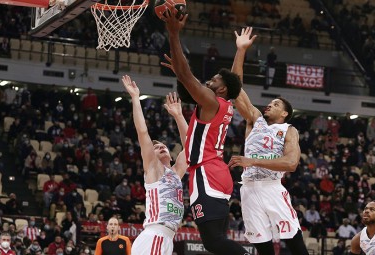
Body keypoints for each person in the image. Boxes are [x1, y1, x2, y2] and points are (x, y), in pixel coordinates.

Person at [161, 5, 249, 255]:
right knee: (218, 240)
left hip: (206, 174)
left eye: (214, 81)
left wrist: (174, 33)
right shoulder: (224, 103)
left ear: (220, 90)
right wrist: (240, 51)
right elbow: (190, 82)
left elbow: (189, 78)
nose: (209, 81)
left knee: (212, 242)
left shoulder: (211, 101)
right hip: (218, 174)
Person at [226, 27, 308, 255]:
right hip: (249, 190)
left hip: (272, 188)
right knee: (262, 248)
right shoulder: (255, 119)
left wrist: (252, 161)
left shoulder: (288, 130)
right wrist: (241, 51)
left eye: (276, 104)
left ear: (284, 114)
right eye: (270, 102)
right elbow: (234, 89)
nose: (270, 105)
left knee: (294, 243)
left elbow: (291, 164)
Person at [122, 76, 188, 255]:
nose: (161, 147)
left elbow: (191, 146)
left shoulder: (175, 172)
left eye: (164, 146)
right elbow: (142, 131)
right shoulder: (154, 168)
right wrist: (135, 98)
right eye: (156, 147)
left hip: (166, 237)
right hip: (155, 234)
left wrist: (179, 115)